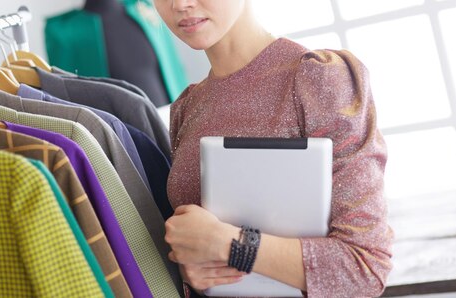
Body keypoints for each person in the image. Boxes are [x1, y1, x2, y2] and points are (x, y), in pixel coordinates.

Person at [154, 0, 393, 296]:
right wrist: (189, 266)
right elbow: (195, 256)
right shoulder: (186, 107)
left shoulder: (318, 79)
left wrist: (230, 245)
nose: (180, 4)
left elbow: (364, 269)